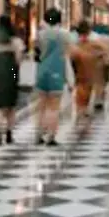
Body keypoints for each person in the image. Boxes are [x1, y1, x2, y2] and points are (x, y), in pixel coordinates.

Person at [35, 8, 69, 146]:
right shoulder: (64, 34)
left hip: (42, 71)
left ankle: (38, 135)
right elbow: (67, 52)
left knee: (41, 105)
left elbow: (38, 51)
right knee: (54, 107)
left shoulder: (40, 34)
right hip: (57, 71)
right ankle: (51, 136)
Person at [0, 15, 24, 145]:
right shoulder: (16, 41)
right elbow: (18, 59)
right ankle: (9, 133)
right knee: (10, 106)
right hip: (11, 76)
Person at [70, 20, 102, 131]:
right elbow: (103, 54)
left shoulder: (75, 40)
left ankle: (80, 118)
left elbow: (72, 57)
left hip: (80, 72)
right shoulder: (94, 39)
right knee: (84, 96)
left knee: (82, 96)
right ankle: (82, 119)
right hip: (88, 72)